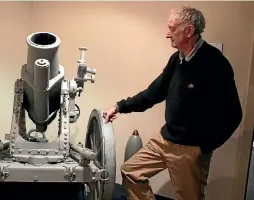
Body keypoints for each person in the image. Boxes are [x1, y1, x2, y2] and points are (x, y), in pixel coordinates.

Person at [102, 6, 243, 200]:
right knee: (130, 172)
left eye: (172, 28)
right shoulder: (177, 59)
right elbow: (153, 94)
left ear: (189, 30)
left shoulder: (214, 63)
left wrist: (203, 147)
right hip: (164, 139)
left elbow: (234, 114)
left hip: (189, 149)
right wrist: (119, 106)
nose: (167, 34)